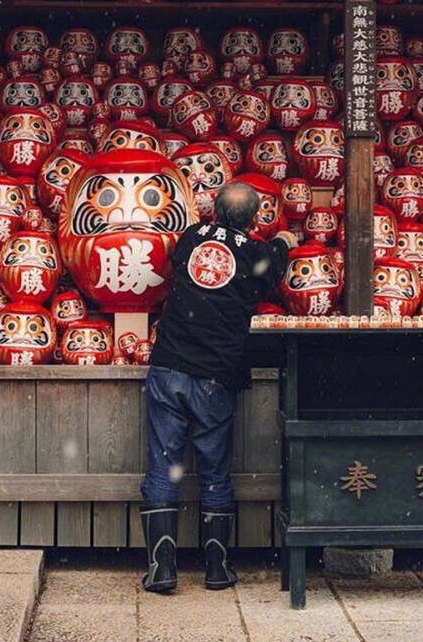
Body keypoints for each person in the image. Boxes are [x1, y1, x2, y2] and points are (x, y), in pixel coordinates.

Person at [140, 181, 296, 593]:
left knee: (162, 467)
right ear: (255, 218)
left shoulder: (191, 238)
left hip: (169, 367)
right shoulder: (254, 253)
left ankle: (162, 568)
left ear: (214, 210)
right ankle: (216, 568)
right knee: (214, 472)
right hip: (213, 378)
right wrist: (283, 239)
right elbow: (273, 268)